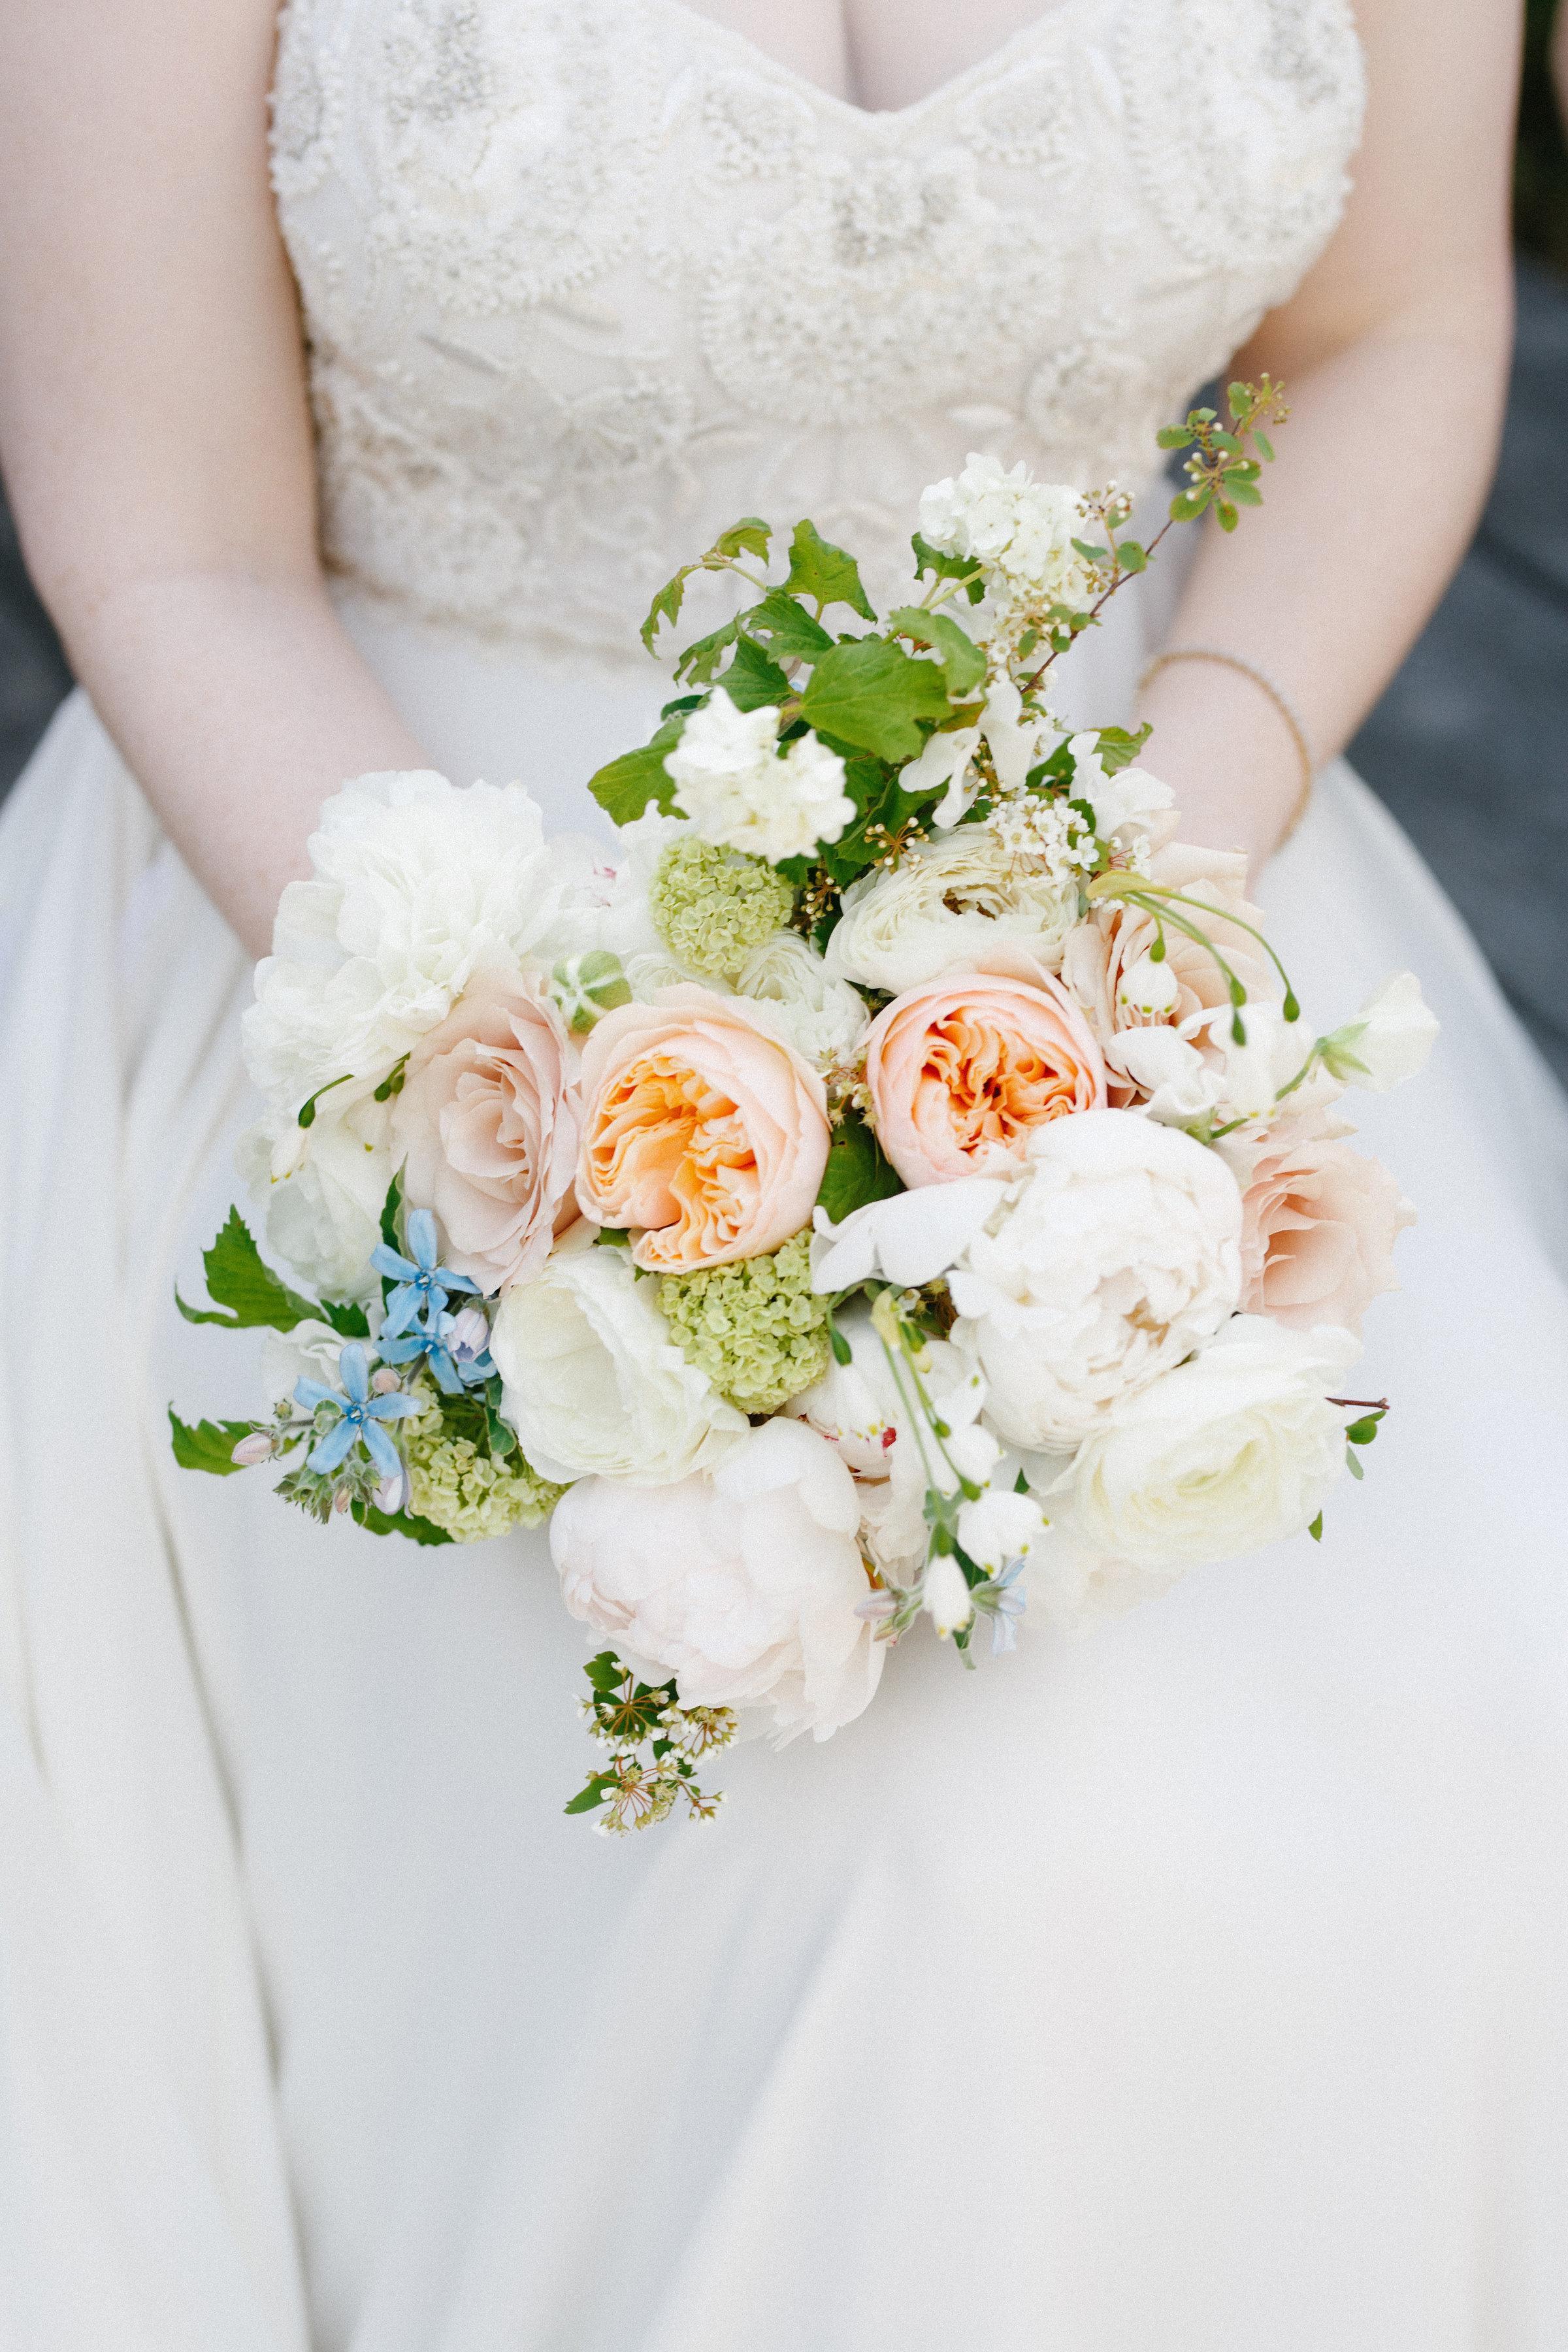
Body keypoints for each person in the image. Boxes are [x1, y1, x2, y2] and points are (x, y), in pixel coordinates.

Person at [1, 3, 1565, 2345]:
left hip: (1135, 914)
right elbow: (175, 535)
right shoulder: (460, 1041)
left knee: (1437, 1799)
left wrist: (1139, 910)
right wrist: (546, 1128)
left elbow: (1393, 328)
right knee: (898, 1921)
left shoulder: (1147, 902)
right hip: (395, 942)